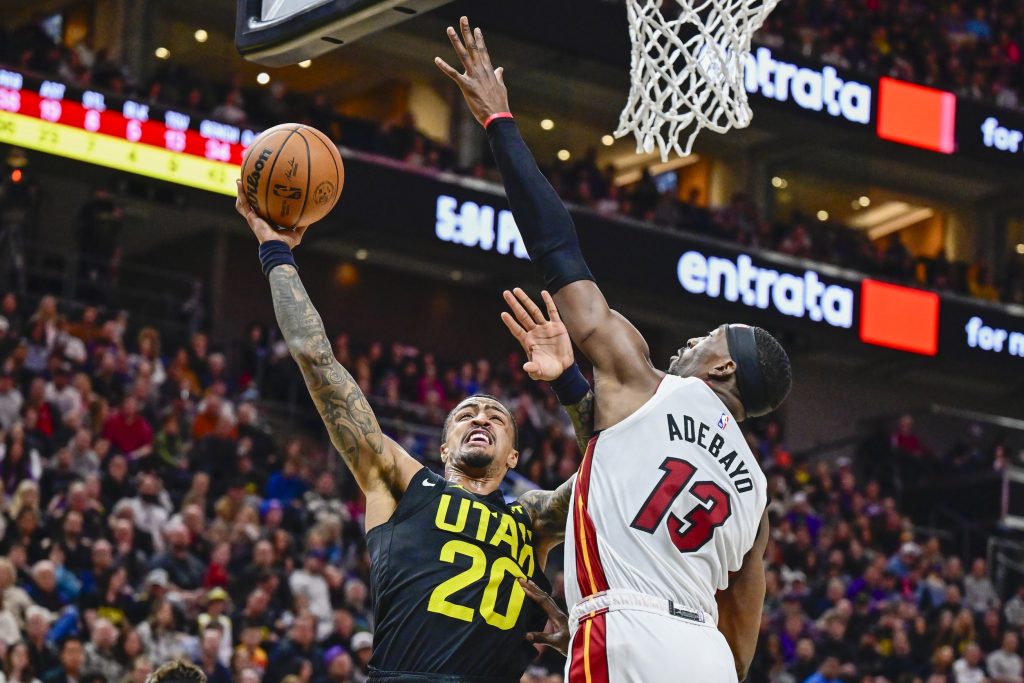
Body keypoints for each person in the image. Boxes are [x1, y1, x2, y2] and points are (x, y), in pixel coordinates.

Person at [438, 17, 792, 683]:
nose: (686, 345)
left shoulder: (646, 377)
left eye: (702, 340)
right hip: (706, 657)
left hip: (622, 628)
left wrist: (500, 124)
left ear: (721, 367)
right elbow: (742, 628)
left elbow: (557, 251)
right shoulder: (756, 494)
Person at [234, 179, 591, 680]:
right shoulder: (403, 484)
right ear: (443, 444)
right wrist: (276, 253)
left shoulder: (531, 520)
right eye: (466, 414)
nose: (482, 417)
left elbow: (609, 465)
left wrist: (571, 382)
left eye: (497, 416)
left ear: (514, 457)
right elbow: (318, 362)